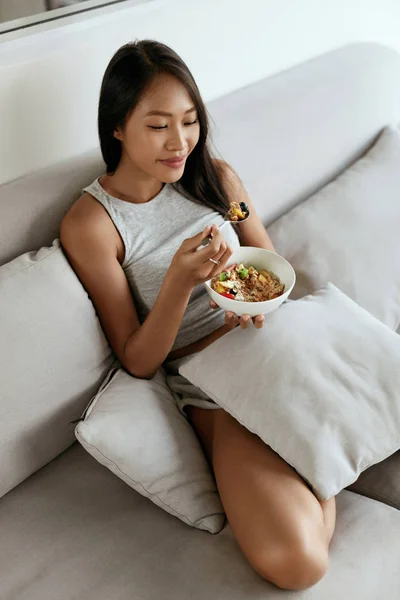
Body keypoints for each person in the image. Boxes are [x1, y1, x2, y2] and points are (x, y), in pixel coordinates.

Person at [60, 39, 336, 590]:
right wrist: (178, 283)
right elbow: (137, 361)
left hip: (278, 343)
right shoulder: (93, 226)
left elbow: (273, 266)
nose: (181, 141)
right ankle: (326, 474)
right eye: (158, 125)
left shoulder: (217, 178)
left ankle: (320, 459)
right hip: (213, 388)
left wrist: (259, 301)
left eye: (190, 121)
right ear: (117, 126)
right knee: (296, 563)